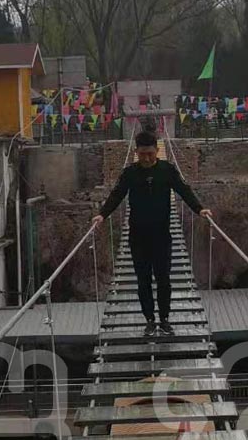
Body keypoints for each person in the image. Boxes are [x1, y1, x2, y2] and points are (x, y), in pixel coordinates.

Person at [91, 130, 212, 335]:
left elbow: (184, 191)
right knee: (143, 280)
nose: (146, 158)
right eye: (142, 154)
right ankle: (149, 320)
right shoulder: (129, 173)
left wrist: (200, 209)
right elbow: (116, 195)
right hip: (137, 237)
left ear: (157, 150)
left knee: (164, 279)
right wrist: (102, 215)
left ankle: (164, 319)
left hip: (162, 236)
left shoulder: (168, 170)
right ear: (136, 152)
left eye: (150, 154)